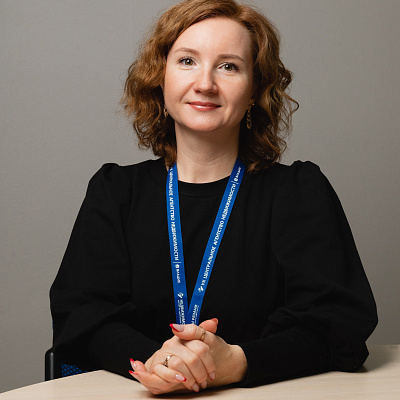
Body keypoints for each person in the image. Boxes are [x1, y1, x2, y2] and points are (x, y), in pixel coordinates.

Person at [50, 0, 377, 395]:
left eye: (229, 66)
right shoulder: (116, 192)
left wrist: (236, 362)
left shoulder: (298, 192)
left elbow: (340, 323)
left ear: (255, 90)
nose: (205, 83)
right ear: (160, 78)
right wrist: (162, 363)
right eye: (187, 61)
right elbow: (80, 317)